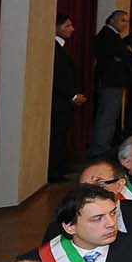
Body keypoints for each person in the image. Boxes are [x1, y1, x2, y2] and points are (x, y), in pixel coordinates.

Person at [92, 10, 132, 159]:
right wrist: (125, 53)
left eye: (126, 21)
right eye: (122, 20)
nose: (125, 24)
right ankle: (100, 148)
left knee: (111, 116)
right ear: (111, 20)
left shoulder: (115, 36)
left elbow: (124, 55)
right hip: (110, 82)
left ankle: (105, 145)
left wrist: (124, 54)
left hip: (115, 81)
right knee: (107, 117)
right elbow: (123, 55)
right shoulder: (107, 36)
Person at [50, 17, 86, 182]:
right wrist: (72, 95)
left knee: (63, 134)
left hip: (65, 99)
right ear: (56, 27)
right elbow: (58, 75)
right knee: (57, 135)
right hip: (59, 100)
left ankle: (62, 166)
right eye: (68, 25)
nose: (72, 29)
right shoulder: (54, 47)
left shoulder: (61, 47)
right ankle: (55, 172)